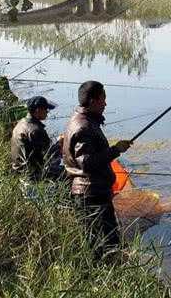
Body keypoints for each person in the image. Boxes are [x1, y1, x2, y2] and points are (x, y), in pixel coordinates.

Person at [63, 81, 132, 257]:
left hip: (91, 191)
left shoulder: (83, 121)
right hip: (91, 194)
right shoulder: (83, 126)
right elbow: (87, 163)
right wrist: (115, 150)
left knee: (99, 245)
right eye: (103, 99)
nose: (105, 104)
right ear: (93, 101)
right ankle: (108, 279)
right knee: (106, 246)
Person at [11, 96, 57, 181]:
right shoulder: (36, 130)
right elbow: (49, 155)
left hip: (19, 170)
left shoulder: (21, 123)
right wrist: (59, 143)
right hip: (31, 175)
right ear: (37, 111)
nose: (47, 112)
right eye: (46, 109)